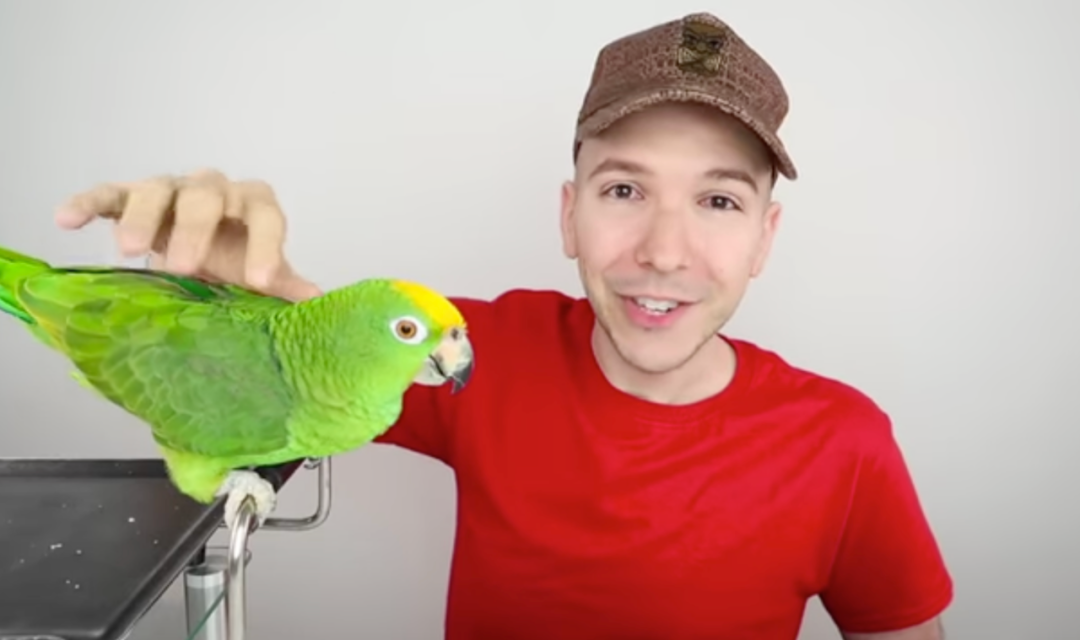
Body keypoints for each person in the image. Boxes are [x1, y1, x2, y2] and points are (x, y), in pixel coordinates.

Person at [54, 12, 953, 640]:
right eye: (624, 190)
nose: (664, 251)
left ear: (765, 237)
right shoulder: (489, 351)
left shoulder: (845, 444)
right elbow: (312, 361)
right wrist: (233, 283)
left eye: (719, 200)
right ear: (569, 216)